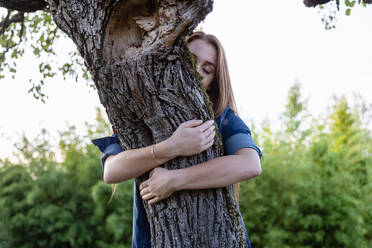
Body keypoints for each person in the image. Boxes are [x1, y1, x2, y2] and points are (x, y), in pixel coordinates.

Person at [92, 31, 262, 248]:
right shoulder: (140, 115)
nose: (197, 71)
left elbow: (250, 164)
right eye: (190, 60)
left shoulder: (222, 117)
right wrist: (171, 147)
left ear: (213, 81)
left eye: (207, 69)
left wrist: (174, 179)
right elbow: (112, 171)